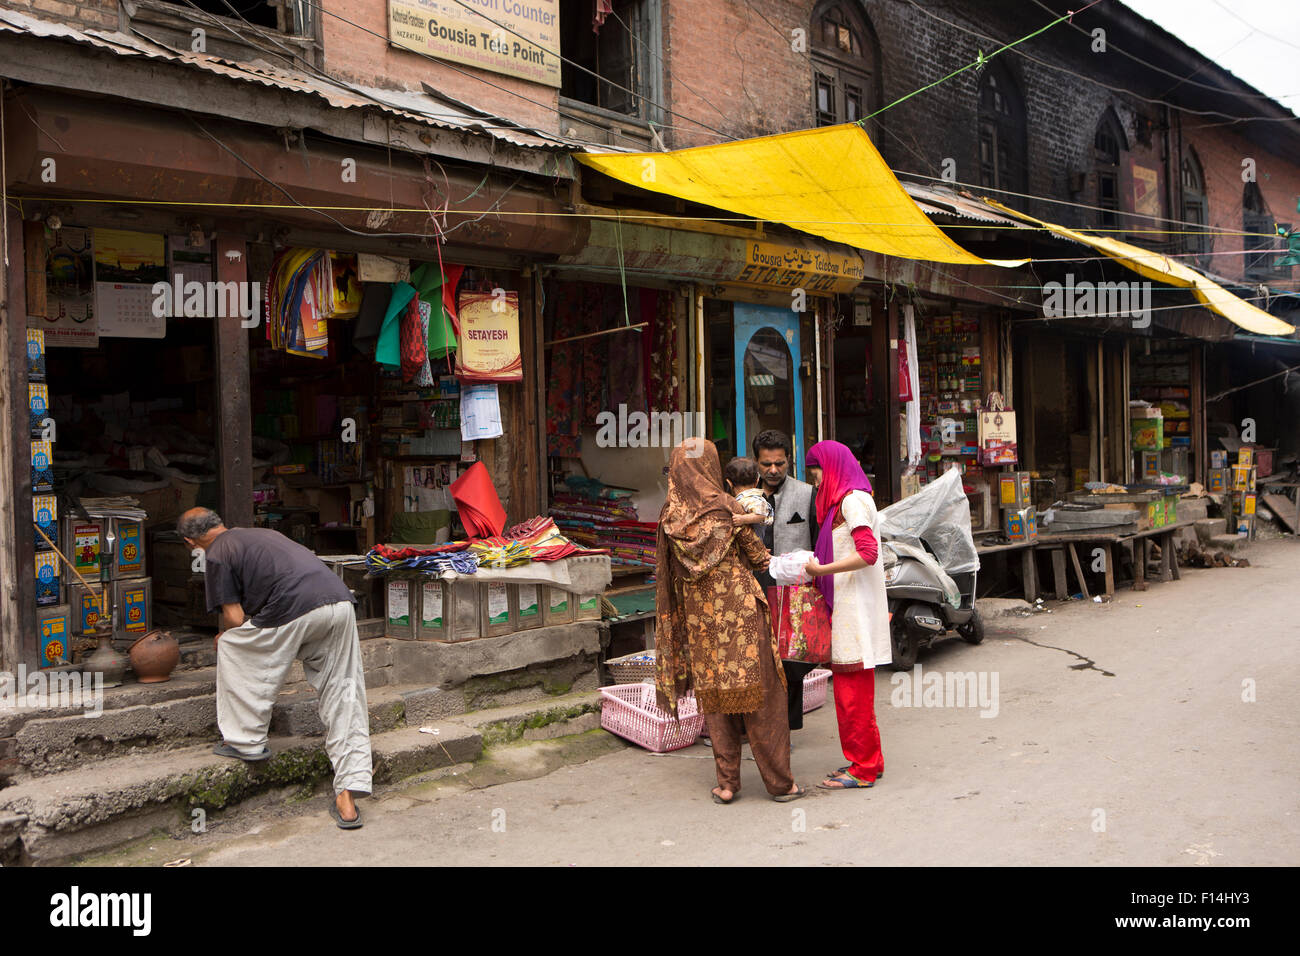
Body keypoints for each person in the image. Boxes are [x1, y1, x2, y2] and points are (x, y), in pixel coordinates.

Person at [179, 507, 373, 829]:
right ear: (219, 522)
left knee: (230, 645)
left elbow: (235, 618)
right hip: (339, 604)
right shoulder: (261, 533)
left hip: (295, 607)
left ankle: (246, 741)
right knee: (344, 691)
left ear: (190, 542)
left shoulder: (216, 552)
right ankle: (348, 796)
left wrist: (226, 634)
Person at [654, 439, 805, 805]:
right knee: (763, 698)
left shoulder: (670, 519)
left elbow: (668, 576)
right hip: (742, 618)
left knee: (717, 702)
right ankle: (781, 784)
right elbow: (757, 557)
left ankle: (726, 784)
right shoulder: (727, 508)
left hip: (700, 623)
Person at [801, 441, 892, 790]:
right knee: (856, 692)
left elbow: (867, 552)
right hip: (851, 605)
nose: (817, 481)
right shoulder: (852, 498)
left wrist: (823, 570)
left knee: (851, 694)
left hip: (851, 609)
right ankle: (871, 760)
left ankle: (863, 769)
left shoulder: (852, 500)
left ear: (833, 467)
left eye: (818, 472)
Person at [751, 429, 820, 731]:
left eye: (779, 463)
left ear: (788, 461)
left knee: (792, 659)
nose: (774, 470)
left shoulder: (806, 494)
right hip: (754, 586)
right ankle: (755, 724)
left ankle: (786, 728)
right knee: (757, 656)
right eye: (767, 464)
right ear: (756, 463)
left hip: (793, 590)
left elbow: (818, 544)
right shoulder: (744, 498)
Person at [723, 456, 774, 532]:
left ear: (729, 483)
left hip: (756, 537)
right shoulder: (743, 498)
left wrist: (743, 519)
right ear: (757, 481)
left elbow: (761, 515)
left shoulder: (751, 499)